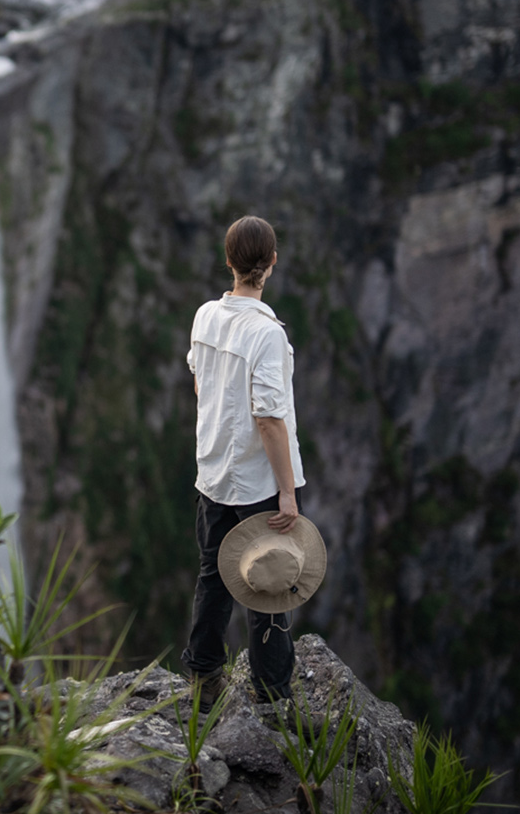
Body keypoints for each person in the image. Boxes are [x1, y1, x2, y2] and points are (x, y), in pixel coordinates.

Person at [180, 214, 306, 707]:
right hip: (258, 484)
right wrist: (289, 491)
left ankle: (204, 677)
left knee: (213, 575)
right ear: (271, 263)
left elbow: (199, 381)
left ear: (228, 262)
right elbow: (269, 418)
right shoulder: (266, 334)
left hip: (213, 473)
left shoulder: (205, 315)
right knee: (269, 588)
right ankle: (272, 699)